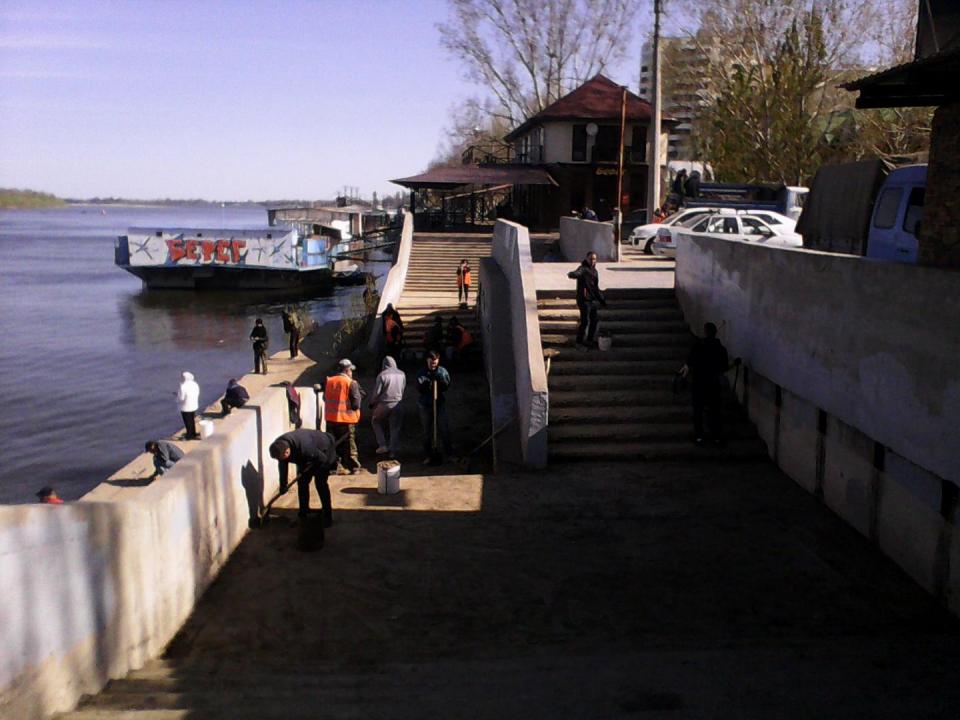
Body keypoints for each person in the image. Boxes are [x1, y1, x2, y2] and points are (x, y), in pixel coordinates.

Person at [679, 322, 740, 445]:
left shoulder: (697, 346)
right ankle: (716, 437)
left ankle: (699, 436)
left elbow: (689, 364)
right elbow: (723, 368)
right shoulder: (721, 349)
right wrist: (735, 364)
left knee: (698, 410)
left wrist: (683, 377)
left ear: (705, 332)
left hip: (698, 383)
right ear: (715, 333)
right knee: (715, 411)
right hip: (713, 383)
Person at [269, 429, 337, 524]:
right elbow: (283, 465)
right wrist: (283, 485)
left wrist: (312, 468)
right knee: (302, 483)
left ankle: (327, 515)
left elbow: (322, 459)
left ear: (287, 452)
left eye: (282, 458)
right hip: (307, 455)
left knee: (320, 483)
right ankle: (304, 511)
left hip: (325, 450)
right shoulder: (278, 446)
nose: (281, 460)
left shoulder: (305, 447)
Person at [323, 358, 362, 474]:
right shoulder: (351, 383)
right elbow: (356, 404)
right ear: (346, 370)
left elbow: (325, 397)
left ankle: (335, 467)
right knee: (350, 444)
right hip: (347, 419)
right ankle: (354, 467)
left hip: (331, 418)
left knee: (334, 443)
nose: (351, 372)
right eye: (351, 370)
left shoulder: (329, 381)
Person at [416, 350, 452, 464]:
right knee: (427, 431)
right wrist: (425, 386)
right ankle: (428, 455)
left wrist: (442, 382)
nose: (433, 365)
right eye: (431, 363)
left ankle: (448, 454)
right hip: (425, 405)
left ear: (438, 361)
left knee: (444, 429)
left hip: (439, 403)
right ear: (427, 360)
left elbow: (447, 385)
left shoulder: (442, 372)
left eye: (435, 363)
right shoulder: (422, 373)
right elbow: (418, 387)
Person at [567, 251, 607, 349]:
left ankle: (589, 340)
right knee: (584, 322)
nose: (592, 261)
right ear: (586, 259)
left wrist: (602, 300)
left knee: (594, 320)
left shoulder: (595, 272)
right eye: (591, 259)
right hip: (583, 300)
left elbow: (596, 288)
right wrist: (572, 274)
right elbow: (577, 273)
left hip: (591, 300)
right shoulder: (583, 269)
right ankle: (579, 342)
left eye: (594, 259)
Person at [369, 355, 406, 457]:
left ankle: (382, 445)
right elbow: (403, 389)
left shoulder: (382, 375)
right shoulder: (402, 374)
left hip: (384, 404)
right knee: (395, 427)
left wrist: (372, 403)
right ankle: (392, 451)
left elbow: (377, 392)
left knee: (375, 421)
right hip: (398, 403)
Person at [177, 371, 200, 439]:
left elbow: (181, 398)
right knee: (192, 419)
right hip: (194, 405)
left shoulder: (183, 386)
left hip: (186, 407)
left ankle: (189, 435)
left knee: (187, 421)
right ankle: (193, 433)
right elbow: (197, 393)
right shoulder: (195, 384)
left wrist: (178, 396)